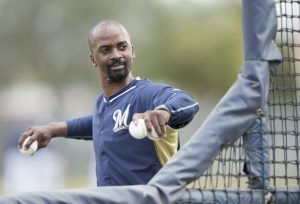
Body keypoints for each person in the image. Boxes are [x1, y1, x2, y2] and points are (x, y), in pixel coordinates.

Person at [18, 20, 199, 187]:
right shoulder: (102, 103)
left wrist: (163, 112)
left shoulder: (146, 94)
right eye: (106, 50)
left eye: (122, 47)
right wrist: (52, 129)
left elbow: (188, 102)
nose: (116, 55)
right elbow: (99, 123)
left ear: (132, 51)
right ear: (93, 59)